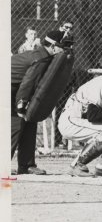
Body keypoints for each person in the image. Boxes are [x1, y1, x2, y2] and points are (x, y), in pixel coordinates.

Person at [11, 30, 69, 175]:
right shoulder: (42, 58)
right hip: (8, 85)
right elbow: (28, 83)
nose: (67, 49)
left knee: (30, 121)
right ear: (54, 46)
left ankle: (26, 165)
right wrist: (21, 105)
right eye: (64, 45)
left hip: (15, 86)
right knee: (16, 124)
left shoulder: (47, 56)